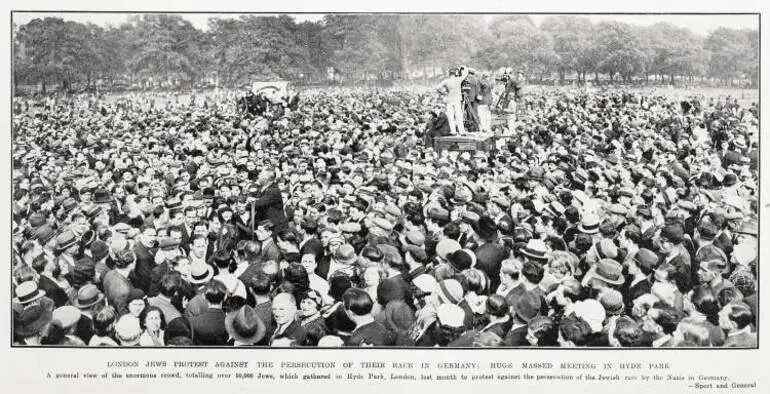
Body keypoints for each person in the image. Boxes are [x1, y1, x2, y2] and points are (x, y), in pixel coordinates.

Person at [436, 66, 470, 135]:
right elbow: (465, 74)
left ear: (449, 73)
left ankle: (453, 131)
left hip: (449, 99)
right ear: (455, 73)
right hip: (457, 99)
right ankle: (462, 131)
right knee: (459, 116)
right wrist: (464, 67)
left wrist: (444, 92)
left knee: (450, 116)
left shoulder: (446, 80)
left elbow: (437, 87)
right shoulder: (458, 79)